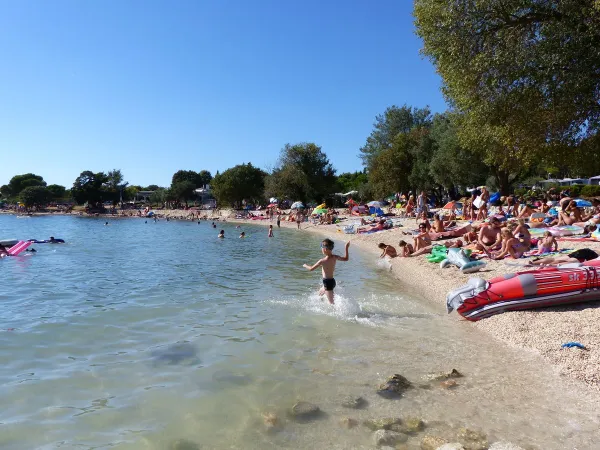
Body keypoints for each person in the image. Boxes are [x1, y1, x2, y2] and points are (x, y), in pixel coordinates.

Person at [303, 239, 350, 305]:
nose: (321, 249)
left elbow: (311, 269)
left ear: (325, 249)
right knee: (319, 294)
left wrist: (305, 265)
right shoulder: (335, 257)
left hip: (327, 283)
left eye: (321, 248)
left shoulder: (322, 261)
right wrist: (346, 247)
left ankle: (340, 311)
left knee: (332, 304)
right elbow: (346, 259)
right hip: (332, 281)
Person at [529, 248, 598, 266]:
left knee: (555, 258)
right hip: (587, 255)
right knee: (570, 262)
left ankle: (534, 262)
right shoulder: (597, 257)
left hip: (583, 251)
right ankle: (550, 265)